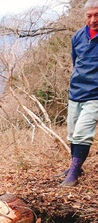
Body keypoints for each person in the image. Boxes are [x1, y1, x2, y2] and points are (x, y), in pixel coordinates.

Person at [58, 0, 98, 187]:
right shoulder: (78, 36)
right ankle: (76, 166)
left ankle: (73, 172)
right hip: (76, 91)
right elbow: (76, 62)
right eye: (89, 15)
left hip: (95, 95)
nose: (93, 19)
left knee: (83, 133)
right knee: (73, 134)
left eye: (97, 15)